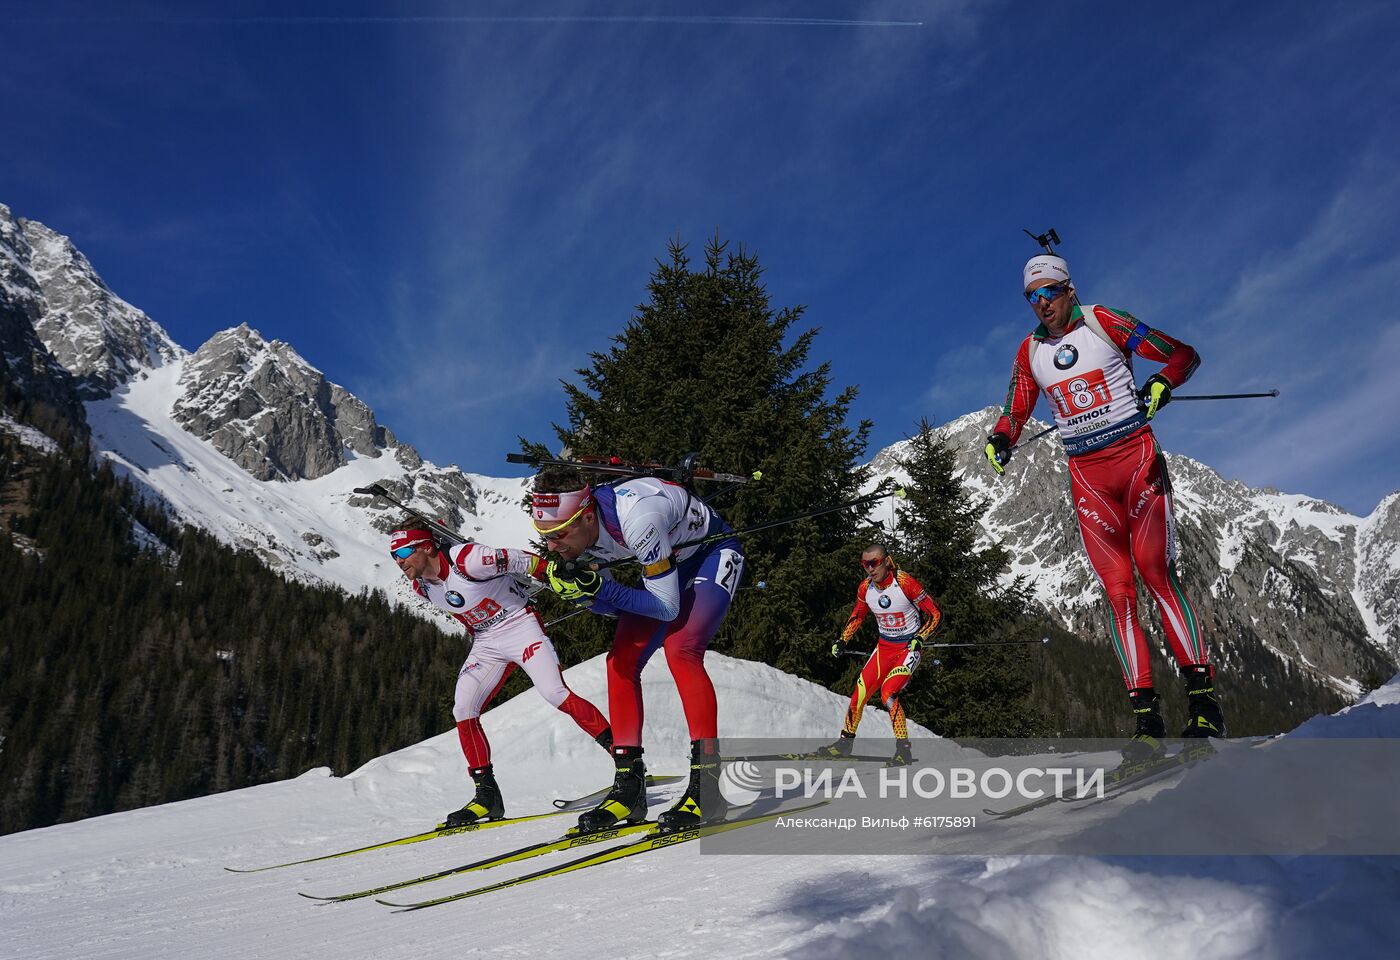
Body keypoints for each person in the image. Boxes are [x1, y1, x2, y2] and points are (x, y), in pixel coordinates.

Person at [983, 253, 1225, 757]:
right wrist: (1001, 438)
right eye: (1032, 296)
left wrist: (1162, 382)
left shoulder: (1103, 321)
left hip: (1136, 462)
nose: (1041, 302)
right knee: (1118, 596)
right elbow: (1015, 409)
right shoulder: (1029, 351)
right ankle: (1146, 720)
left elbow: (1183, 354)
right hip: (1088, 479)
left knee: (1156, 572)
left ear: (1070, 289)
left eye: (1049, 291)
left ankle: (1204, 704)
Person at [531, 466, 745, 833]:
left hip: (713, 551)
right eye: (544, 535)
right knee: (621, 661)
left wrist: (598, 590)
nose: (552, 546)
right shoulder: (577, 533)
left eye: (559, 534)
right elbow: (615, 608)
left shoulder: (639, 519)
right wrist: (585, 595)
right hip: (669, 562)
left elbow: (666, 609)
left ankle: (707, 786)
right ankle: (630, 788)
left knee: (682, 649)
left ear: (585, 516)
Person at [389, 521, 612, 827]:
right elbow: (465, 611)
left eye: (403, 552)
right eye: (394, 556)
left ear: (427, 547)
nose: (399, 561)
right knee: (463, 710)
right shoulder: (422, 587)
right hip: (486, 642)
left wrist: (549, 574)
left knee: (555, 694)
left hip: (520, 626)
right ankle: (487, 797)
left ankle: (626, 762)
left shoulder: (468, 559)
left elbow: (522, 559)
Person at [825, 545, 942, 765]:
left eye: (874, 563)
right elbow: (857, 616)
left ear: (887, 561)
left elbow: (935, 613)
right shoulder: (865, 588)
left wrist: (921, 637)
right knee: (859, 694)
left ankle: (903, 750)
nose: (870, 569)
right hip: (884, 648)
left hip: (907, 649)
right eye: (865, 564)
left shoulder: (905, 582)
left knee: (888, 693)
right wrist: (842, 640)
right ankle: (845, 744)